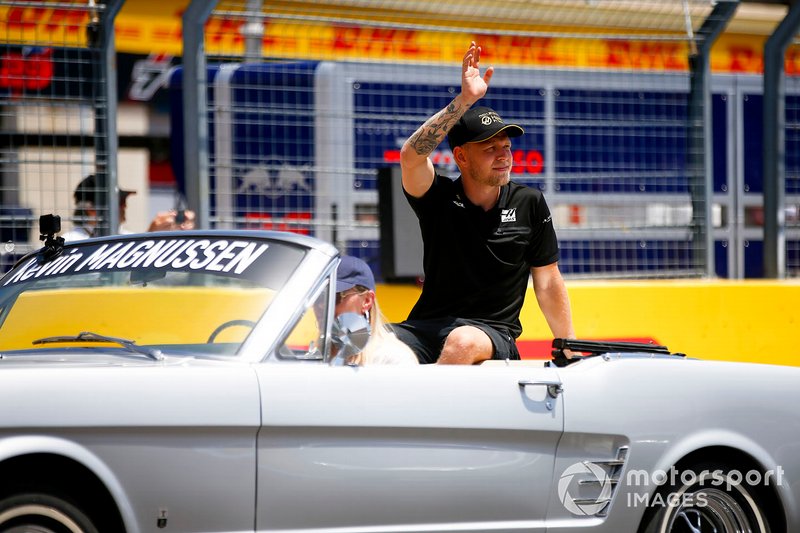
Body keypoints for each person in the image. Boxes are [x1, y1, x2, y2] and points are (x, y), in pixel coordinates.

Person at [394, 41, 575, 365]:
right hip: (424, 328)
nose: (503, 155)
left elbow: (547, 281)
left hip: (492, 333)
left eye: (506, 146)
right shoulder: (438, 197)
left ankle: (426, 414)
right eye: (490, 148)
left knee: (461, 342)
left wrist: (568, 344)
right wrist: (465, 101)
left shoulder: (529, 202)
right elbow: (410, 156)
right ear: (461, 156)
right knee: (371, 344)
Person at [333, 255, 418, 366]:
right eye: (321, 297)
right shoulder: (315, 354)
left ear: (367, 301)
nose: (322, 306)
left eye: (335, 297)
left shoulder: (394, 359)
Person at [62, 174, 196, 241]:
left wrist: (155, 237)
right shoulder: (70, 242)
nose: (125, 205)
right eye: (119, 201)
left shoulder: (128, 237)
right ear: (91, 209)